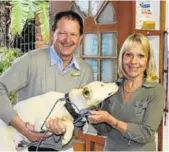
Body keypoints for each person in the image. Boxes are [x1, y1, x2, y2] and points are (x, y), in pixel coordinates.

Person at [0, 10, 93, 151]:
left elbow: (84, 115)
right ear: (52, 34)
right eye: (62, 33)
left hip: (64, 149)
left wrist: (68, 126)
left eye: (73, 34)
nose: (67, 39)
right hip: (28, 147)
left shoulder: (85, 71)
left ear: (80, 38)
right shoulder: (31, 61)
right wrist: (20, 125)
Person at [88, 33, 165, 151]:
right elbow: (104, 129)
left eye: (140, 56)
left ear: (148, 60)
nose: (133, 61)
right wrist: (90, 113)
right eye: (129, 55)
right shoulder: (112, 88)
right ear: (122, 57)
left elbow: (145, 134)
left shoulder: (156, 91)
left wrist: (112, 121)